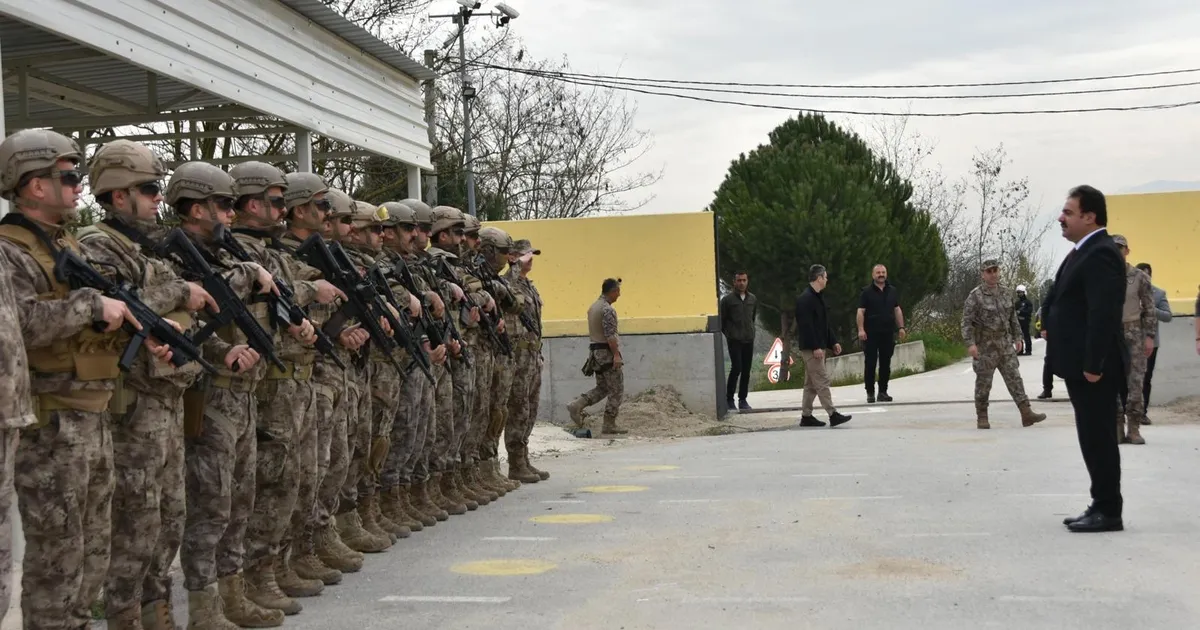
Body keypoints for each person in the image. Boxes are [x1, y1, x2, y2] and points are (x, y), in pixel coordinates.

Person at [0, 129, 161, 630]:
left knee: (92, 550)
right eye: (67, 177)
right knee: (57, 559)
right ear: (32, 185)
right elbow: (21, 322)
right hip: (52, 424)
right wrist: (92, 304)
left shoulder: (67, 245)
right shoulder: (10, 252)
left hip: (92, 415)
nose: (78, 187)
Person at [1043, 185, 1127, 533]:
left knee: (1099, 437)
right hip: (1081, 367)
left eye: (1069, 213)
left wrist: (1094, 365)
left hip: (1095, 370)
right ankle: (1100, 502)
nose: (1061, 218)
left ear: (1090, 217)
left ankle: (1109, 510)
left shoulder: (1102, 254)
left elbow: (1103, 314)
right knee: (1091, 437)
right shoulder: (1082, 251)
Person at [962, 259, 1047, 430]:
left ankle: (1026, 412)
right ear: (983, 274)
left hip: (1004, 343)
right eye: (989, 271)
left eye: (995, 270)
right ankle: (982, 416)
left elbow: (1012, 318)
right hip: (985, 346)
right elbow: (966, 321)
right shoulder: (975, 295)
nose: (993, 274)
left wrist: (1018, 338)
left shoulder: (1006, 292)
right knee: (984, 383)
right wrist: (970, 343)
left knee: (1015, 378)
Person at [505, 238, 548, 482]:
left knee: (530, 408)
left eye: (531, 255)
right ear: (512, 257)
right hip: (518, 356)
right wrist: (513, 266)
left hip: (532, 353)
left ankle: (524, 458)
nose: (530, 259)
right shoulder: (508, 283)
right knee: (518, 407)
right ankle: (515, 463)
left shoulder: (529, 286)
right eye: (524, 255)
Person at [567, 278, 629, 435]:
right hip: (606, 353)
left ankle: (577, 404)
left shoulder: (593, 307)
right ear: (613, 291)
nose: (619, 295)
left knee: (603, 387)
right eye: (618, 292)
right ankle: (609, 424)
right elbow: (610, 336)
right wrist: (616, 355)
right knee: (616, 389)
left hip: (595, 353)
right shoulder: (607, 310)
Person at [794, 265, 852, 428]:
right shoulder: (805, 299)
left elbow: (823, 324)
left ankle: (806, 416)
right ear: (819, 278)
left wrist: (832, 342)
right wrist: (815, 347)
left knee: (811, 384)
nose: (827, 280)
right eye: (825, 277)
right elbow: (806, 326)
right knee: (821, 380)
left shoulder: (818, 297)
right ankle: (832, 414)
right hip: (812, 348)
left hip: (818, 346)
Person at [1111, 235, 1155, 445]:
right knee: (1112, 382)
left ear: (1127, 251)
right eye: (1113, 248)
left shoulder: (1139, 277)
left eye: (1120, 248)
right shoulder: (1104, 277)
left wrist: (1149, 336)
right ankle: (1117, 427)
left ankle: (1134, 428)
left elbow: (1149, 308)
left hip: (1134, 332)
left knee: (1136, 381)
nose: (1117, 252)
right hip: (1112, 334)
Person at [856, 264, 906, 403]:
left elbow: (897, 310)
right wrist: (861, 329)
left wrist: (901, 327)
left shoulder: (892, 291)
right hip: (870, 333)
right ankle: (870, 392)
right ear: (873, 275)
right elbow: (860, 311)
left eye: (883, 272)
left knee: (886, 363)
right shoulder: (866, 292)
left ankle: (882, 392)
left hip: (887, 332)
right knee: (870, 363)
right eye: (878, 272)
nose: (881, 274)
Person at [1135, 262, 1172, 421]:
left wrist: (1150, 308)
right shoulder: (1129, 292)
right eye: (1142, 274)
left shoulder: (1158, 294)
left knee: (1146, 377)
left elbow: (1167, 316)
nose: (1145, 278)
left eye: (1147, 275)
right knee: (1129, 377)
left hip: (1150, 341)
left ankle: (1142, 413)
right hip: (1131, 339)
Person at [720, 271, 758, 410]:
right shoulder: (727, 300)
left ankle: (743, 399)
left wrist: (751, 331)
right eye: (739, 280)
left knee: (746, 370)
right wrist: (730, 334)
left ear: (747, 281)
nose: (741, 283)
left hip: (749, 339)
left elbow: (752, 318)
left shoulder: (752, 299)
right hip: (734, 340)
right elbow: (722, 321)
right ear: (734, 282)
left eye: (744, 280)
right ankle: (729, 399)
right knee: (737, 368)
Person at [1015, 285, 1033, 355]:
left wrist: (1021, 312)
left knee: (1026, 335)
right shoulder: (1017, 303)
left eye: (1021, 293)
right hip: (1018, 321)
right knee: (1019, 336)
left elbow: (1029, 311)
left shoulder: (1028, 302)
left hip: (1025, 321)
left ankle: (1028, 350)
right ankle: (1020, 350)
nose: (1020, 294)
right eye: (1018, 293)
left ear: (1024, 292)